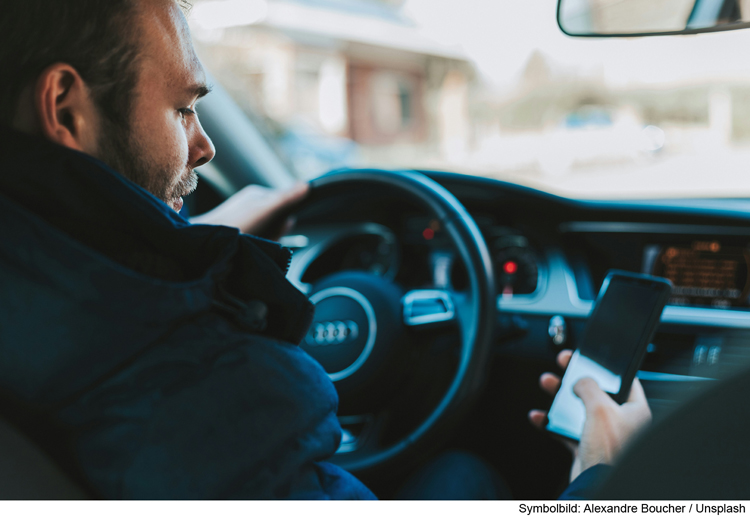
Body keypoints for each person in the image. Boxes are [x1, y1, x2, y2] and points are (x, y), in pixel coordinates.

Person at [0, 0, 636, 500]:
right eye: (183, 110)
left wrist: (193, 250)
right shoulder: (188, 390)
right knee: (468, 474)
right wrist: (608, 480)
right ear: (66, 110)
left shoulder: (54, 306)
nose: (205, 148)